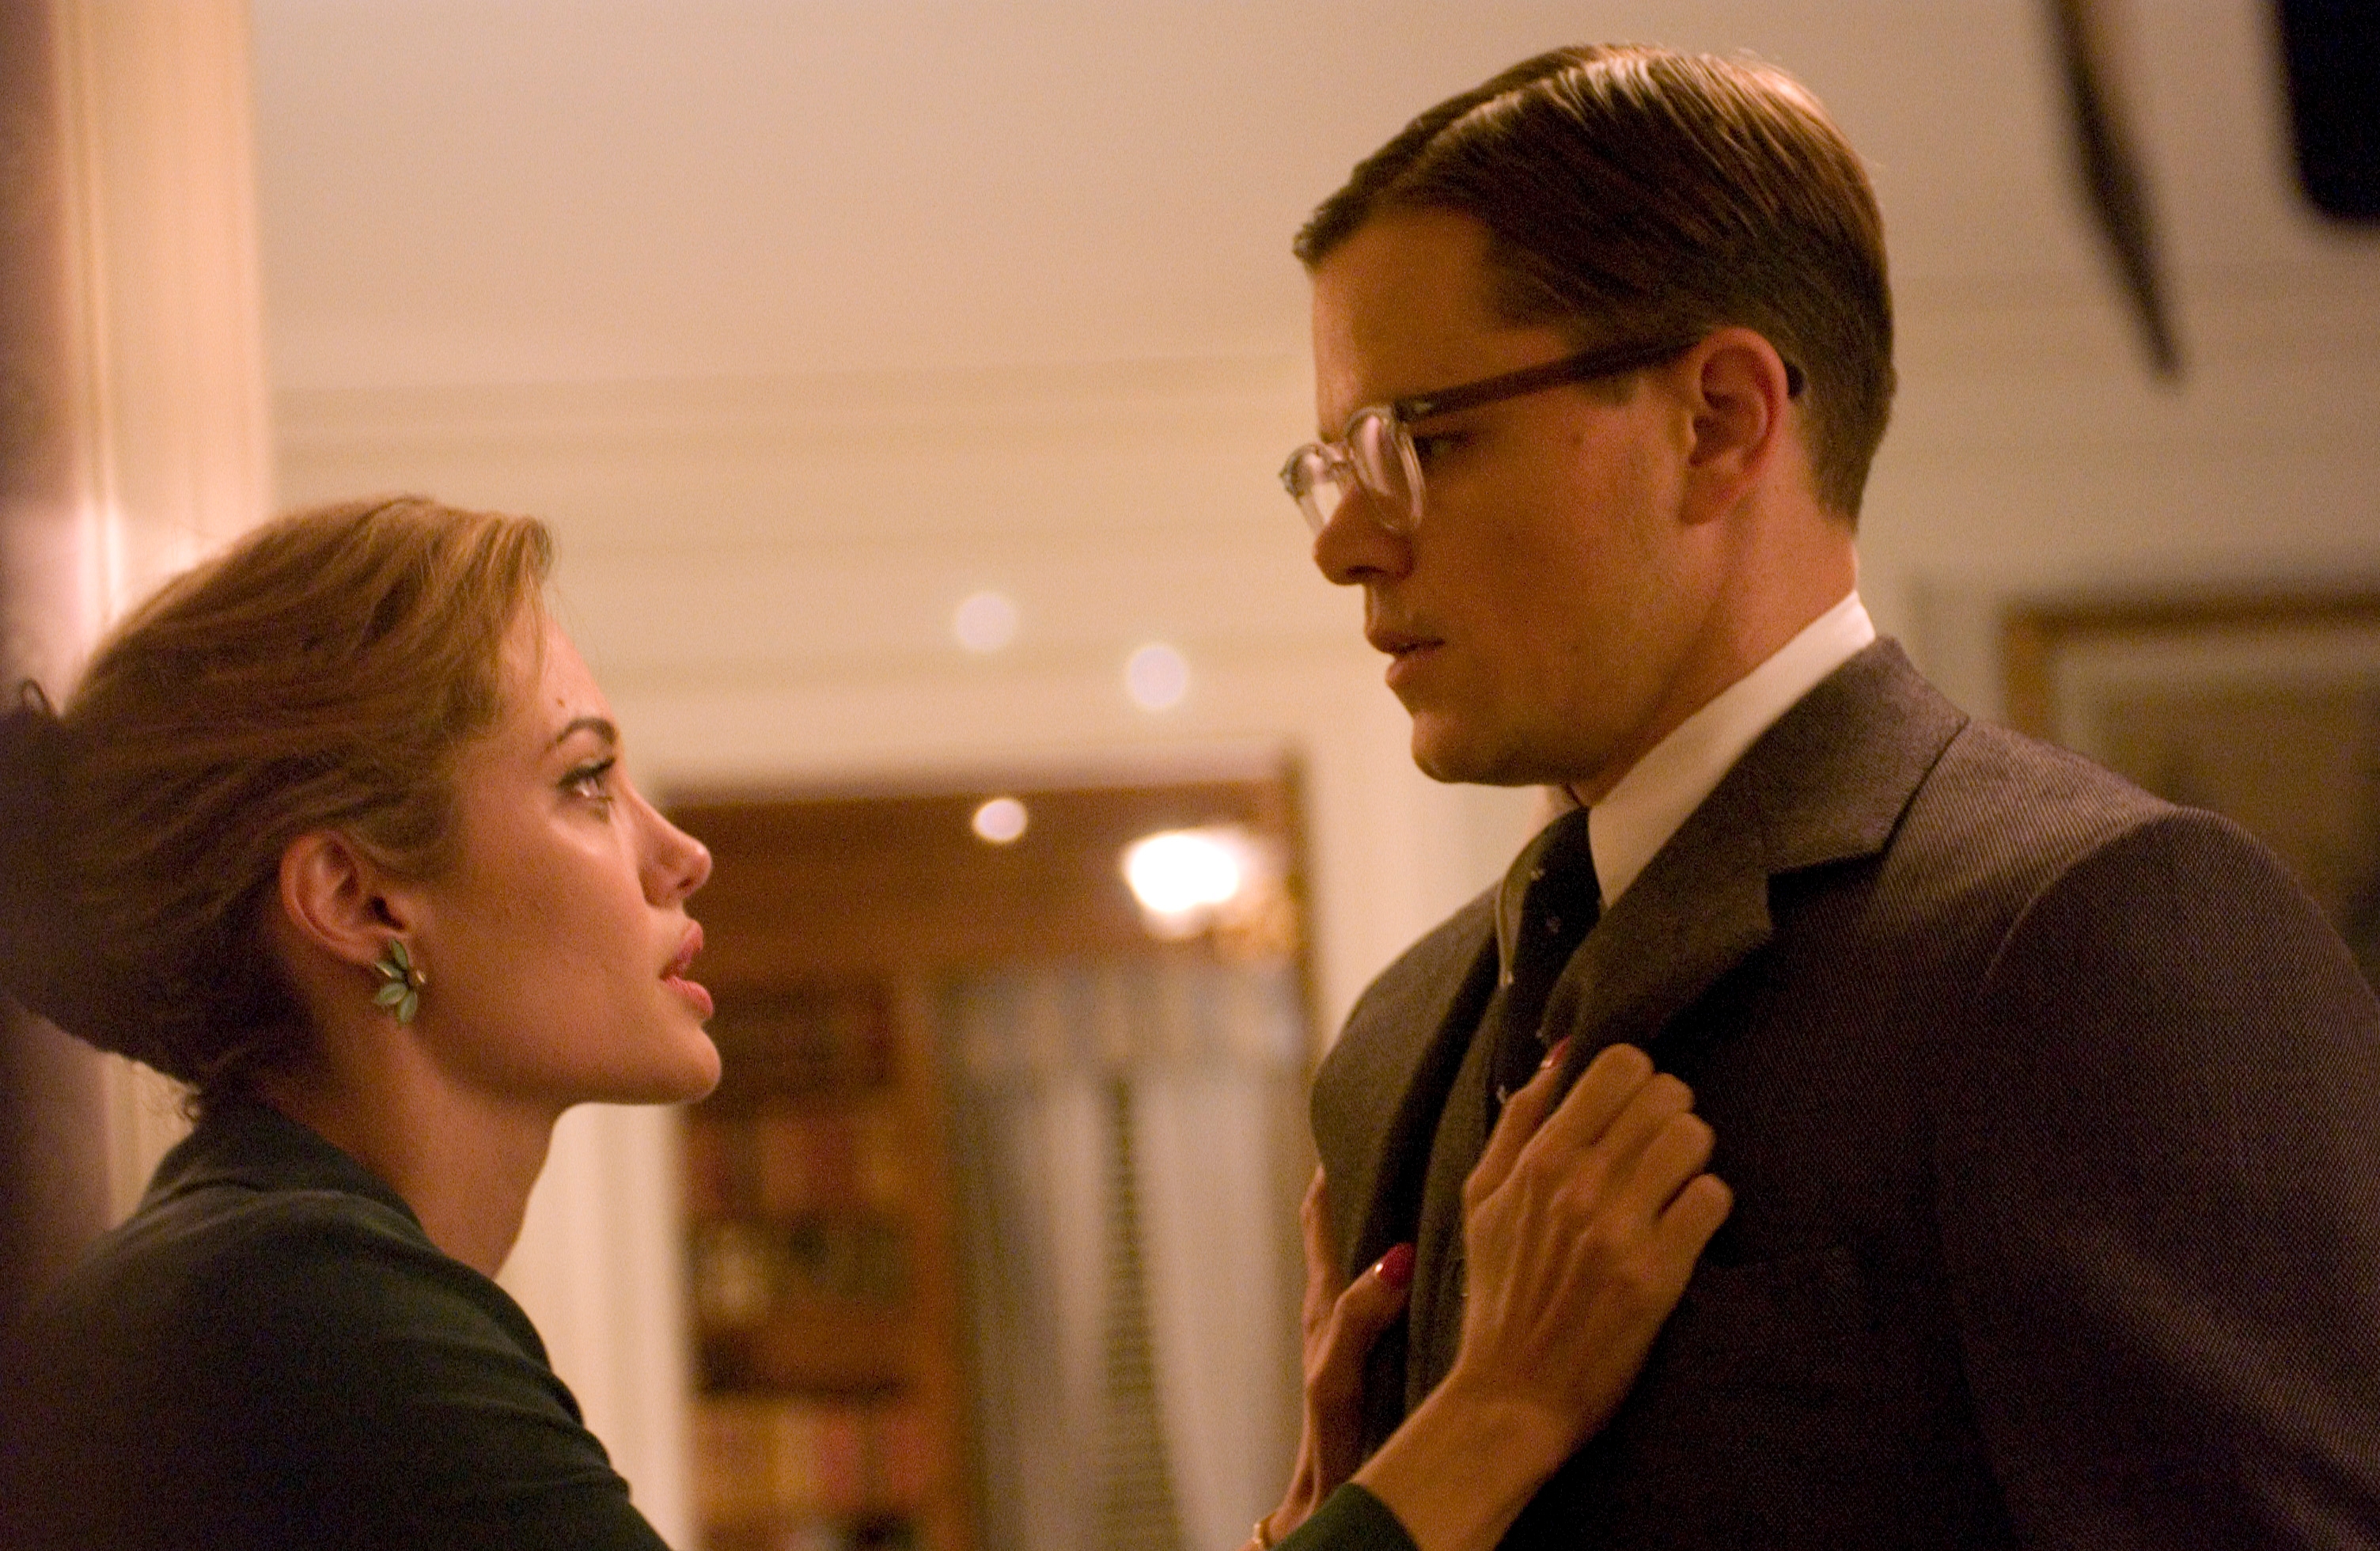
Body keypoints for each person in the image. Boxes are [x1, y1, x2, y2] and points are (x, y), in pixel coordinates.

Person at [0, 495, 1730, 1550]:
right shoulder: (293, 1313)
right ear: (361, 900)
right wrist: (1500, 1413)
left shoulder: (268, 1280)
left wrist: (1322, 1510)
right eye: (586, 782)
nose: (677, 850)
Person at [1280, 43, 2380, 1549]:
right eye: (1332, 465)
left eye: (1422, 443)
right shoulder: (1395, 1037)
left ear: (1722, 421)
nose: (1344, 542)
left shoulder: (2096, 931)